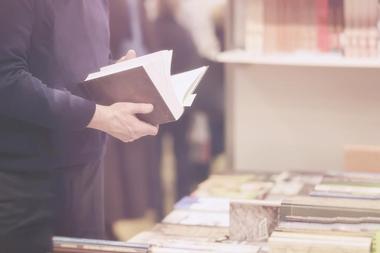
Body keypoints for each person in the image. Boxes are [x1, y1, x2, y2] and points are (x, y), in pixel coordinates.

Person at [0, 1, 158, 252]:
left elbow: (79, 64)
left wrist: (115, 73)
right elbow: (7, 80)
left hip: (88, 170)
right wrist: (98, 116)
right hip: (27, 183)